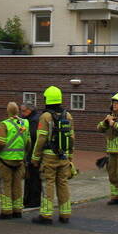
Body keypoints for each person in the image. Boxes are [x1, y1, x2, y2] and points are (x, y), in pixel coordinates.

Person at [31, 86, 74, 224]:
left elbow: (41, 138)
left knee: (48, 183)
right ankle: (65, 214)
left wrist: (35, 157)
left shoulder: (45, 116)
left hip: (49, 156)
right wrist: (70, 155)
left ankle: (46, 214)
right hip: (64, 155)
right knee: (63, 183)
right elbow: (72, 137)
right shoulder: (68, 115)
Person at [0, 102, 29, 219]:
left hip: (5, 160)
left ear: (7, 111)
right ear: (18, 111)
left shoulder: (4, 124)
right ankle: (17, 210)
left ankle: (6, 211)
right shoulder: (25, 123)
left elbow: (1, 142)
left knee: (5, 185)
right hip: (19, 160)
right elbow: (28, 142)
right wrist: (24, 154)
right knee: (17, 185)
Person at [21, 102, 42, 209]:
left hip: (33, 153)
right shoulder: (32, 119)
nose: (22, 113)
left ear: (30, 110)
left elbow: (33, 137)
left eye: (24, 111)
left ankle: (33, 201)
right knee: (31, 178)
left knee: (33, 178)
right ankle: (29, 200)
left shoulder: (33, 121)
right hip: (32, 153)